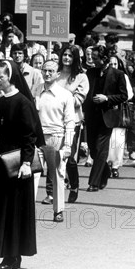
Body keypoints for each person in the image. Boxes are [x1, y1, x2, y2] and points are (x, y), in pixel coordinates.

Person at [0, 60, 45, 269]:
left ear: (9, 77)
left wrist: (27, 163)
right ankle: (5, 252)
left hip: (19, 162)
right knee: (2, 207)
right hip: (1, 160)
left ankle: (13, 255)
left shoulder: (23, 103)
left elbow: (30, 135)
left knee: (15, 209)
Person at [34, 61, 75, 222]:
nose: (47, 73)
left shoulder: (65, 95)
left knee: (58, 174)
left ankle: (58, 211)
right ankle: (28, 211)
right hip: (38, 138)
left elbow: (70, 122)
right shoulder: (36, 91)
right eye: (44, 70)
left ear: (58, 74)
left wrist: (68, 145)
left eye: (51, 71)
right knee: (33, 174)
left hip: (57, 137)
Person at [84, 45, 128, 192]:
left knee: (101, 149)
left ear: (104, 59)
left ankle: (94, 183)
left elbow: (124, 96)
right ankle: (106, 172)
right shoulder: (90, 72)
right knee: (92, 149)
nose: (92, 60)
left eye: (96, 58)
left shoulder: (118, 74)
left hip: (107, 117)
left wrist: (107, 98)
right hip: (91, 115)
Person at [55, 45, 89, 203]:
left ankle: (74, 185)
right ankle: (53, 190)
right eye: (64, 55)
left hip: (72, 121)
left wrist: (60, 100)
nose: (66, 58)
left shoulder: (81, 77)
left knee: (69, 156)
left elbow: (79, 99)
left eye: (70, 55)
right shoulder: (55, 74)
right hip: (54, 121)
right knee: (54, 156)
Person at [106, 54, 133, 178]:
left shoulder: (123, 76)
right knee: (107, 139)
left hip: (119, 110)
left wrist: (116, 98)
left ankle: (116, 165)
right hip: (106, 110)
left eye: (115, 64)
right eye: (111, 64)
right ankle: (106, 164)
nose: (113, 67)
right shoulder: (104, 75)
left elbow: (129, 94)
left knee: (118, 140)